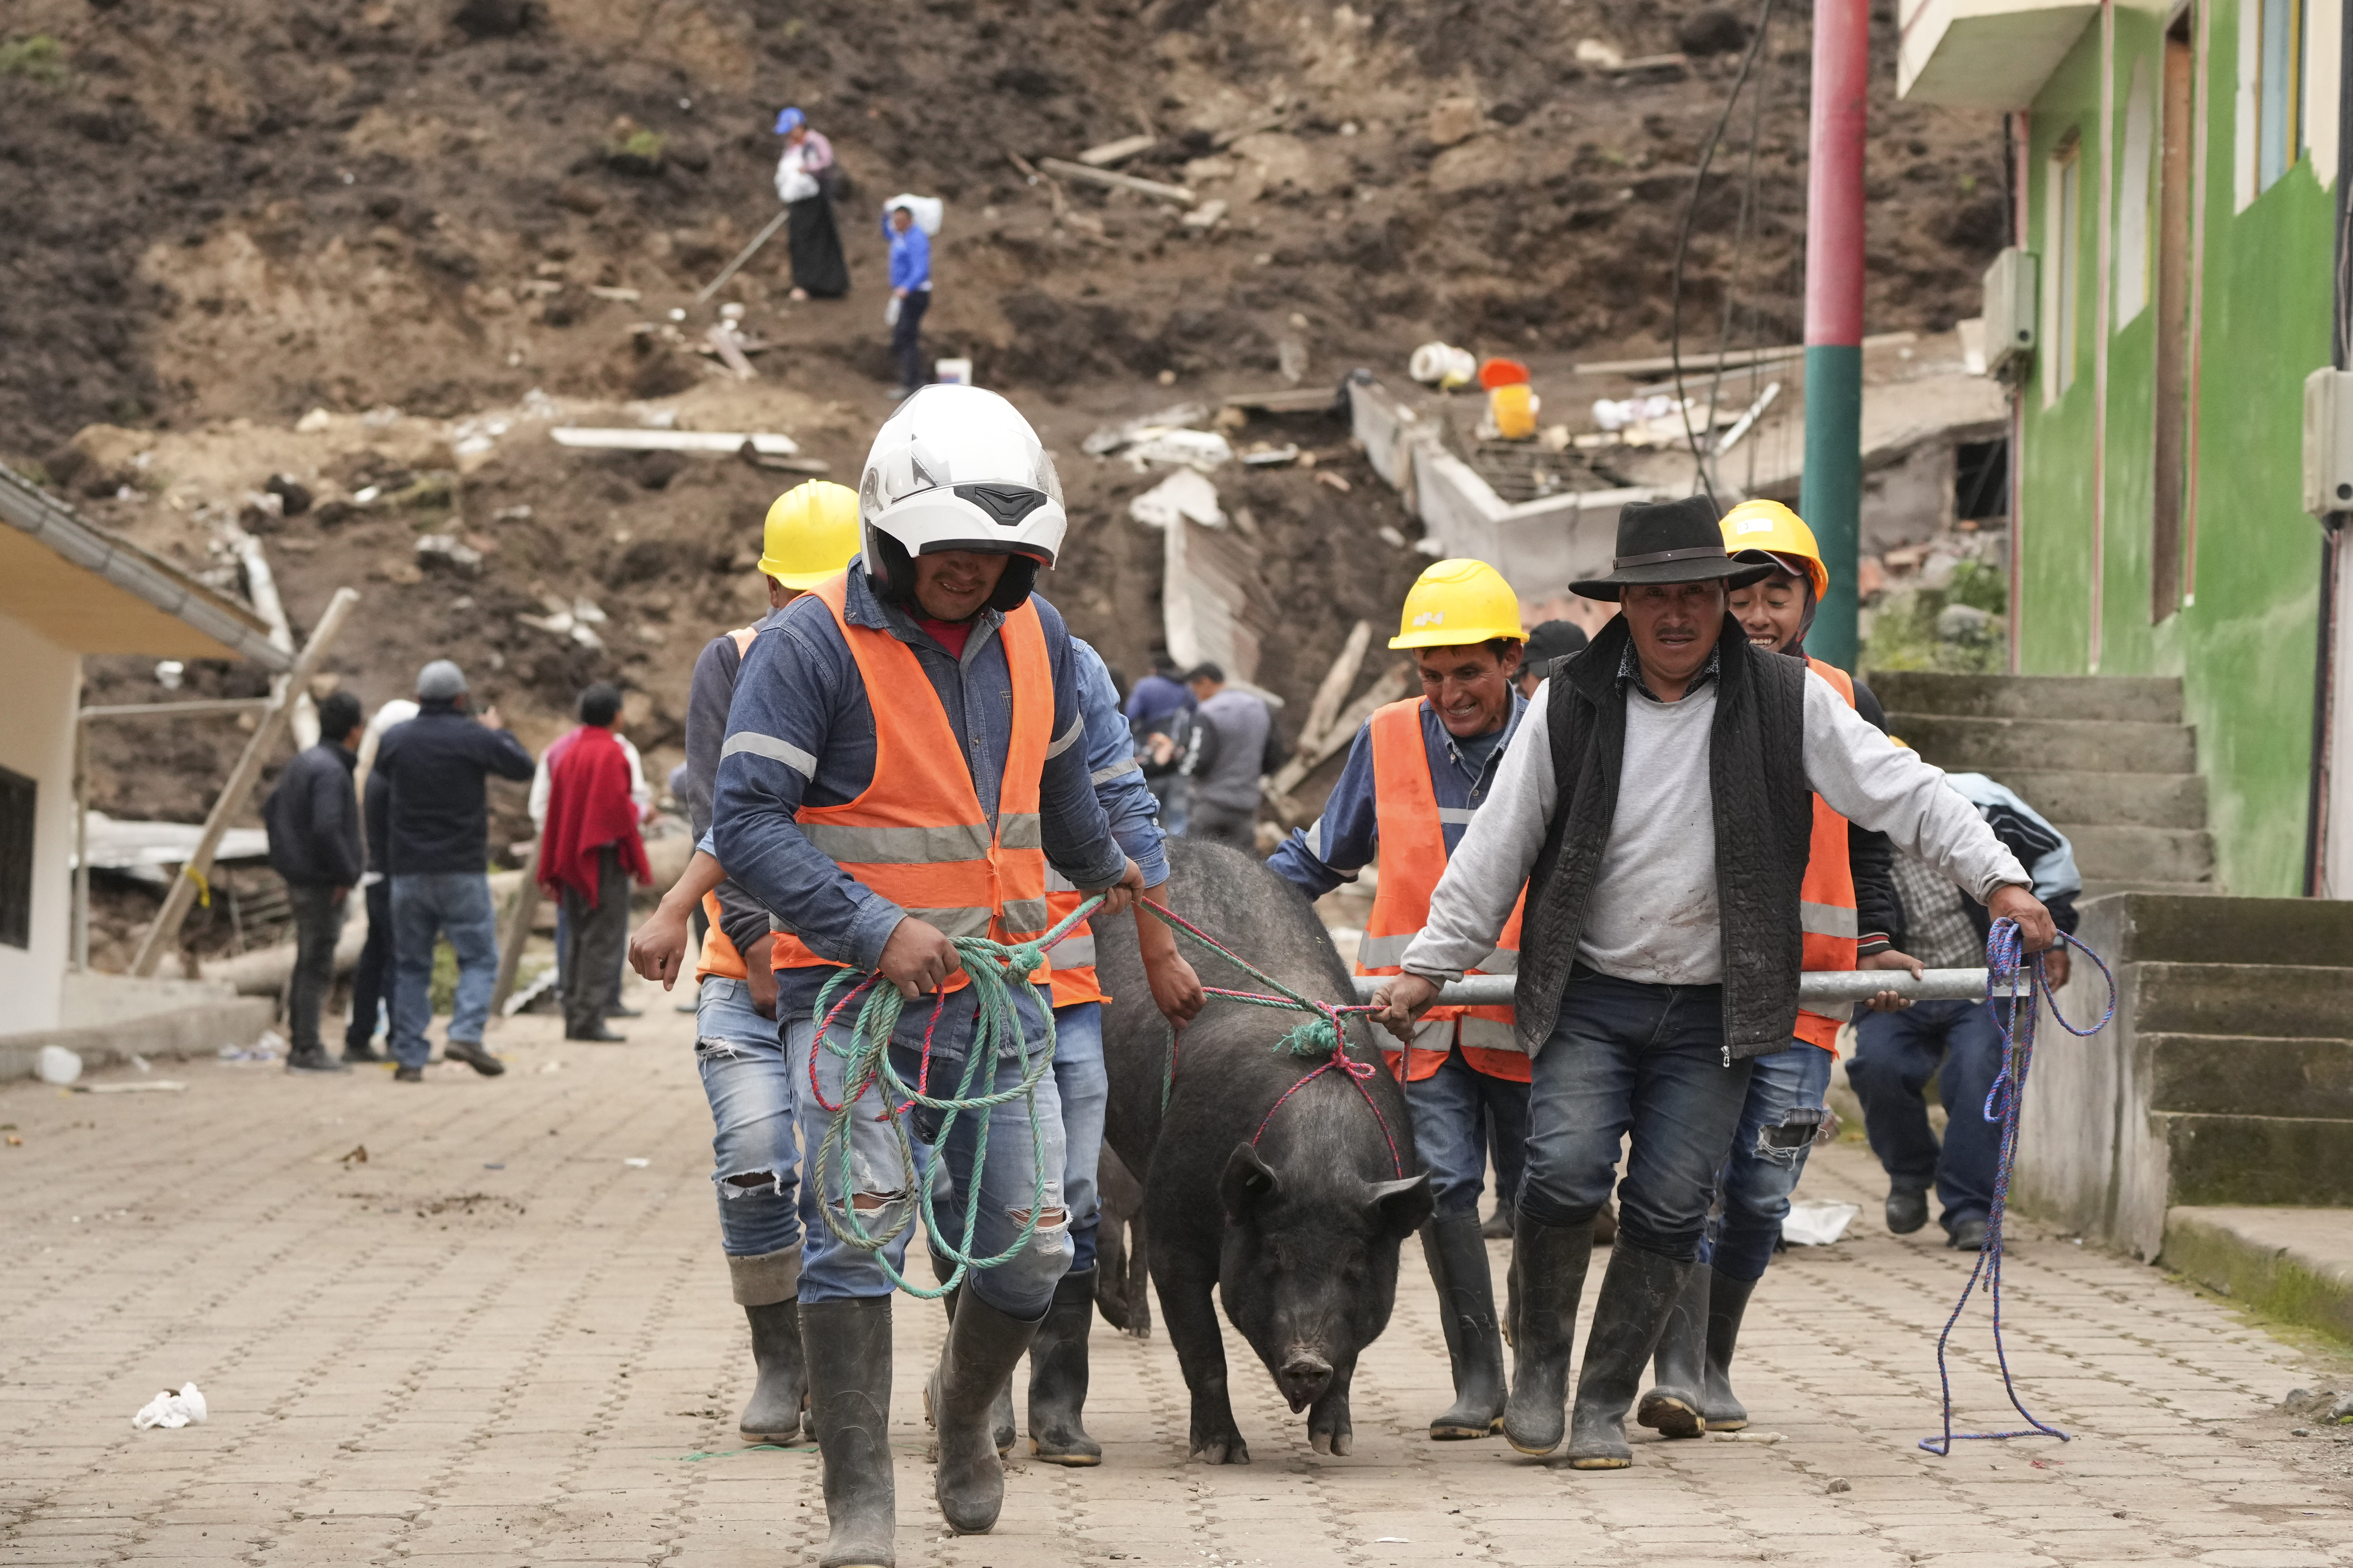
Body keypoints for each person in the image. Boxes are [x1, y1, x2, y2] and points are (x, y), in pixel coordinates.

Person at [1371, 496, 2058, 1470]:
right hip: (1590, 994)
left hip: (1716, 1007)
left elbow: (1901, 788)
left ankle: (1604, 1402)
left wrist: (2002, 880)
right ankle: (1540, 1372)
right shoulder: (1572, 701)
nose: (1681, 615)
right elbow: (1498, 844)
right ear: (1625, 607)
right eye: (1658, 598)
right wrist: (1427, 971)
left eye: (1701, 593)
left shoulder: (1788, 698)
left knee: (1668, 1204)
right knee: (1559, 1174)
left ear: (1728, 600)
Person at [709, 386, 1145, 1556]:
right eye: (950, 546)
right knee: (852, 1233)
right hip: (849, 999)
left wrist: (1121, 877)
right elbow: (745, 825)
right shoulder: (809, 648)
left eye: (999, 551)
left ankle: (961, 1408)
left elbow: (1060, 799)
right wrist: (869, 929)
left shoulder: (1038, 638)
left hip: (998, 1000)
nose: (971, 568)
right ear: (891, 529)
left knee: (1032, 1248)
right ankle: (858, 1502)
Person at [1636, 499, 1917, 1440]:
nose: (1758, 613)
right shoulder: (1677, 690)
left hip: (1807, 995)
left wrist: (1877, 941)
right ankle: (1676, 1368)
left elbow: (1874, 839)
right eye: (1742, 593)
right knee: (1688, 1180)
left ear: (1808, 603)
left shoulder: (1841, 697)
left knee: (1761, 1187)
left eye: (1776, 594)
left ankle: (1714, 1354)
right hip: (1704, 984)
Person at [1266, 557, 1532, 1442]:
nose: (1450, 691)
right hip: (1416, 1027)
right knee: (1446, 1187)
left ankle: (1537, 1365)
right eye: (1433, 674)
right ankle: (1479, 1378)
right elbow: (1319, 859)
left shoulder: (1561, 737)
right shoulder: (1387, 737)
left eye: (1469, 671)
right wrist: (1234, 909)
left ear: (1511, 661)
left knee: (1547, 1193)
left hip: (1536, 1021)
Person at [625, 479, 863, 1450]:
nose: (807, 612)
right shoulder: (731, 663)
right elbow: (729, 808)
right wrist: (757, 944)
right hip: (746, 968)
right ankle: (780, 1357)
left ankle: (848, 1364)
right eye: (790, 593)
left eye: (830, 590)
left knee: (848, 1185)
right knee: (758, 1163)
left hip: (857, 973)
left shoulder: (895, 671)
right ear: (766, 583)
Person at [1850, 767, 2080, 1251]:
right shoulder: (1844, 817)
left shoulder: (1980, 804)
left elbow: (2054, 853)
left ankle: (1971, 1209)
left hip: (1984, 979)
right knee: (1878, 1066)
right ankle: (1910, 1174)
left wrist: (2054, 933)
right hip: (1898, 983)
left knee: (1981, 1075)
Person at [374, 660, 536, 1083]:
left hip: (408, 871)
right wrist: (495, 729)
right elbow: (522, 766)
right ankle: (464, 1033)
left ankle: (409, 1056)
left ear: (417, 699)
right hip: (461, 870)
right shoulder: (473, 737)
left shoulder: (395, 739)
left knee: (411, 965)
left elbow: (380, 781)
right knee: (479, 958)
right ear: (462, 700)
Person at [537, 684, 652, 1042]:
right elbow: (617, 812)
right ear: (617, 715)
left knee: (577, 934)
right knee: (602, 938)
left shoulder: (568, 751)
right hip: (602, 857)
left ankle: (575, 1014)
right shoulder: (611, 753)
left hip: (571, 855)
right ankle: (589, 1019)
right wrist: (636, 853)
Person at [262, 690, 366, 1075]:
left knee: (309, 958)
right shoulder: (330, 771)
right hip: (321, 882)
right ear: (355, 730)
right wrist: (343, 873)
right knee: (316, 962)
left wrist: (288, 859)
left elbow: (271, 809)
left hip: (303, 876)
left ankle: (304, 1042)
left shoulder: (304, 763)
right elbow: (326, 827)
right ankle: (306, 1046)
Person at [344, 696, 419, 1063]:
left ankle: (359, 1034)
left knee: (375, 958)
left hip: (377, 878)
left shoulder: (375, 775)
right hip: (391, 879)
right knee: (396, 960)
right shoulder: (392, 780)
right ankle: (397, 1037)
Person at [1182, 662, 1270, 853]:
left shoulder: (1208, 712)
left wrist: (1180, 762)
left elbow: (1200, 761)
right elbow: (1273, 757)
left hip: (1211, 803)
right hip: (1246, 806)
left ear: (1205, 682)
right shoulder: (1260, 707)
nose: (1197, 697)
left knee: (1197, 867)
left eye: (1196, 691)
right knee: (1242, 873)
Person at [773, 108, 848, 301]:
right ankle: (804, 282)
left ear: (799, 126)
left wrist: (807, 169)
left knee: (818, 242)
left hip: (814, 201)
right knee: (799, 243)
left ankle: (827, 284)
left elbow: (826, 162)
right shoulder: (790, 148)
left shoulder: (814, 141)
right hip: (796, 202)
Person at [1125, 651, 1196, 835]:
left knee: (1150, 811)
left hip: (1151, 758)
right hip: (1178, 759)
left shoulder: (1145, 685)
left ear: (1154, 669)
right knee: (1178, 815)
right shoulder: (1187, 689)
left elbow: (1131, 716)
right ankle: (1180, 860)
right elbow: (1196, 719)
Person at [885, 200, 932, 400]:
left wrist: (907, 287)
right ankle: (912, 380)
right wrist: (883, 214)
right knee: (904, 336)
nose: (898, 224)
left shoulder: (916, 239)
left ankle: (912, 383)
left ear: (911, 220)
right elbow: (885, 233)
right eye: (895, 221)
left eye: (901, 221)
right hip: (904, 293)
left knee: (906, 336)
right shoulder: (899, 236)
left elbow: (921, 268)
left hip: (916, 294)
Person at [1517, 620, 1589, 701]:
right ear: (1523, 678)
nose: (1560, 692)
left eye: (1572, 682)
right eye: (1548, 682)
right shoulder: (1507, 710)